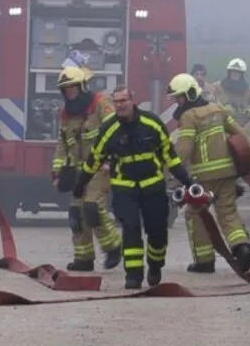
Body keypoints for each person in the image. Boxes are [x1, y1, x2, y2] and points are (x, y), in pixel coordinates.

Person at [77, 86, 198, 290]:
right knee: (131, 228)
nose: (120, 105)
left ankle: (155, 265)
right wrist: (81, 183)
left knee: (157, 231)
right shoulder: (109, 129)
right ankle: (133, 275)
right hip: (124, 188)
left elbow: (170, 156)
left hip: (152, 186)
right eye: (116, 102)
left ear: (132, 100)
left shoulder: (152, 123)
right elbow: (94, 159)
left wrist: (187, 181)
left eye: (123, 101)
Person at [166, 73, 250, 274]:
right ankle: (242, 247)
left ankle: (204, 262)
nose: (177, 102)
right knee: (228, 213)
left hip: (203, 178)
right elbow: (240, 135)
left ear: (189, 94)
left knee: (196, 215)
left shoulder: (189, 116)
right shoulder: (219, 109)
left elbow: (184, 150)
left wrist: (171, 169)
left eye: (179, 97)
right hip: (228, 174)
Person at [50, 65, 123, 272]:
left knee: (92, 207)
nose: (69, 92)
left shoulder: (100, 103)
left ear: (82, 86)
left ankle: (113, 247)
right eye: (66, 89)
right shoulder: (66, 113)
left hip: (101, 168)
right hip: (79, 172)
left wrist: (111, 159)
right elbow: (62, 144)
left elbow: (114, 131)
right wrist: (57, 172)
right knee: (75, 214)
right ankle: (83, 258)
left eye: (73, 88)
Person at [209, 57, 250, 195]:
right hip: (220, 128)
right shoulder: (218, 87)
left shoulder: (247, 90)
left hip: (239, 129)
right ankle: (225, 186)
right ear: (228, 73)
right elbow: (210, 104)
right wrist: (224, 110)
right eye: (233, 72)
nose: (235, 75)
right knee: (221, 158)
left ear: (242, 75)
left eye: (238, 73)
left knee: (242, 157)